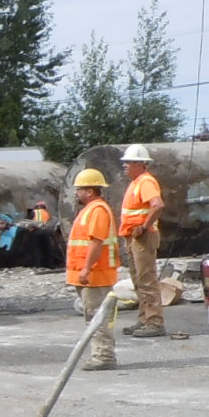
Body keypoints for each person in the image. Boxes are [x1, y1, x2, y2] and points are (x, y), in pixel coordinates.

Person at [67, 169, 118, 370]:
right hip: (90, 275)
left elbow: (96, 243)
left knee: (97, 316)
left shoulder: (97, 211)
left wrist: (86, 269)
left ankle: (104, 356)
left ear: (89, 191)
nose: (76, 193)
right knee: (93, 315)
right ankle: (101, 354)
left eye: (79, 189)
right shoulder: (90, 210)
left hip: (96, 275)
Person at [118, 144, 166, 338]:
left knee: (146, 280)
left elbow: (158, 205)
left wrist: (144, 226)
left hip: (142, 237)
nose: (125, 166)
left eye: (128, 162)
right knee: (138, 280)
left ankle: (154, 322)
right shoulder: (136, 182)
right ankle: (144, 319)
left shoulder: (145, 182)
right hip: (134, 236)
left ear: (140, 164)